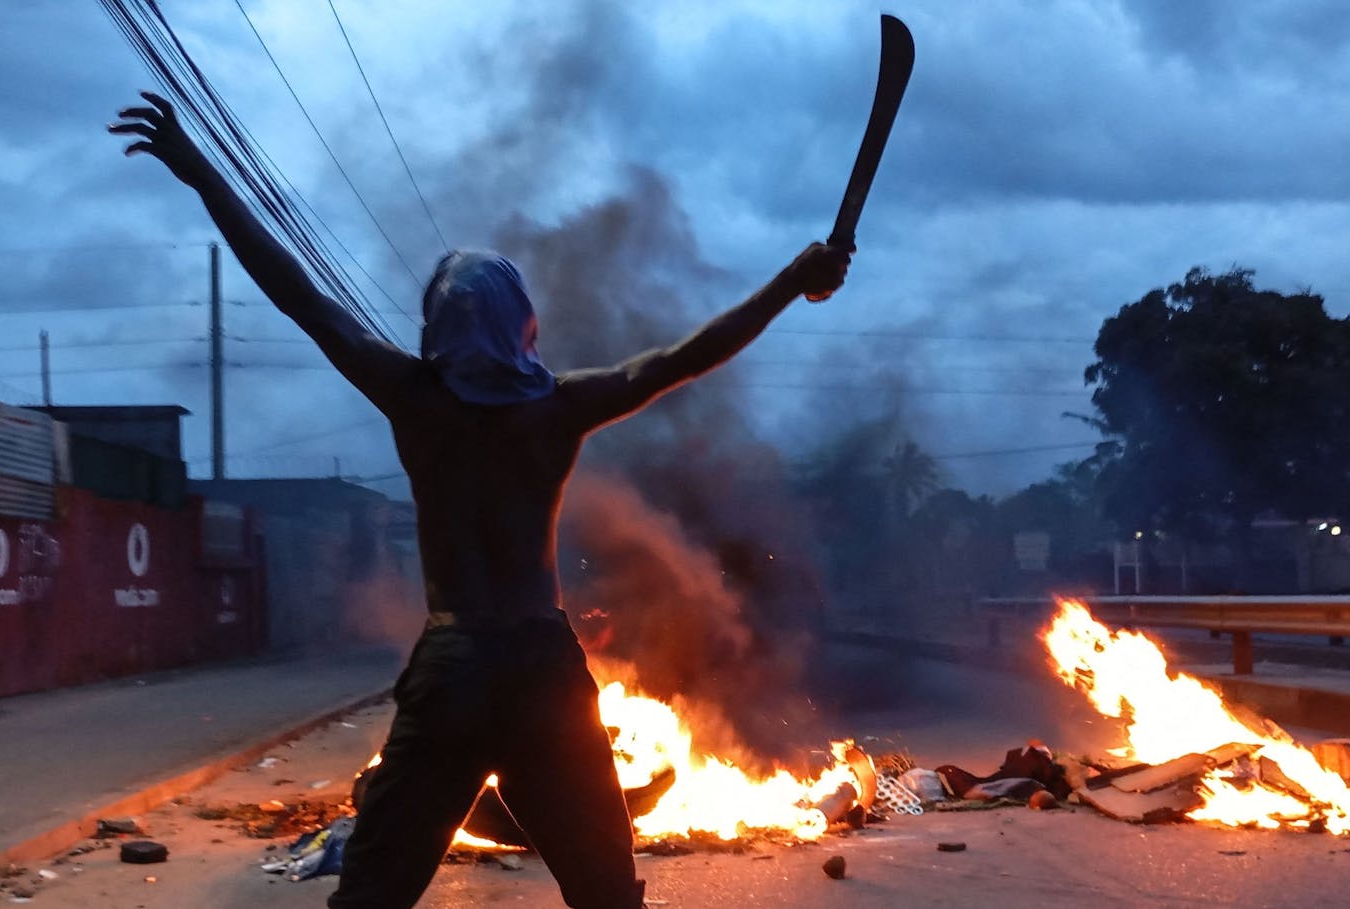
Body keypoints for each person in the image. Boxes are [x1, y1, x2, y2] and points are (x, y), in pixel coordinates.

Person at [110, 92, 851, 909]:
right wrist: (791, 279)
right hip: (542, 669)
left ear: (435, 325)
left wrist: (199, 174)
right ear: (524, 327)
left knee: (372, 896)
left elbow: (293, 290)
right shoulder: (559, 407)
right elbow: (685, 356)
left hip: (454, 668)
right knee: (607, 895)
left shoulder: (413, 396)